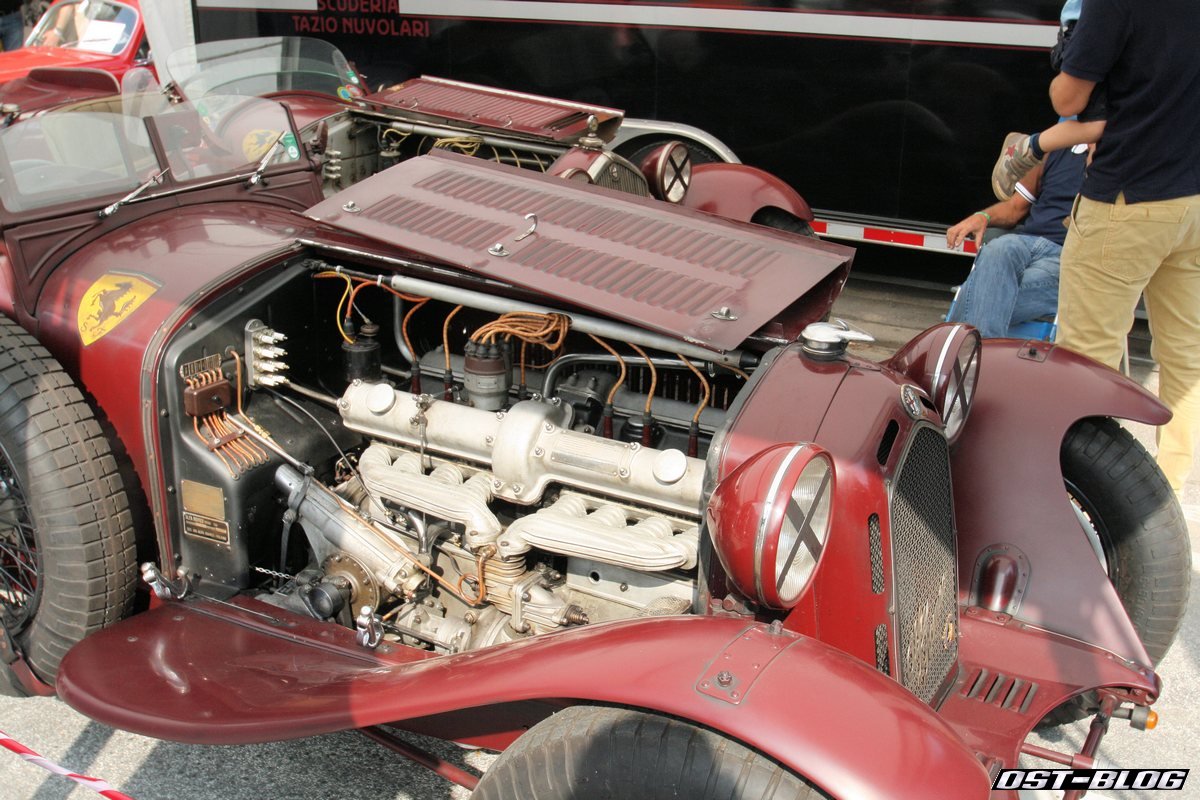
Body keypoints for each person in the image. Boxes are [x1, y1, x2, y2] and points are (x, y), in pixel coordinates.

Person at [1050, 0, 1200, 493]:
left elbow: (1067, 99)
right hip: (1194, 203)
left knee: (1086, 363)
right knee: (1187, 358)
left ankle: (1085, 495)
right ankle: (1166, 493)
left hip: (1128, 200)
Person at [946, 144, 1087, 338]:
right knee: (997, 248)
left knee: (984, 289)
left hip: (1067, 253)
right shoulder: (1056, 150)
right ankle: (979, 345)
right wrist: (982, 216)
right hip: (1027, 241)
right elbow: (1014, 208)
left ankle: (975, 344)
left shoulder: (1113, 158)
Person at [991, 0, 1105, 200]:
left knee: (1104, 125)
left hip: (1108, 33)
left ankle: (1086, 201)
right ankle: (1027, 148)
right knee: (1098, 126)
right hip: (1088, 32)